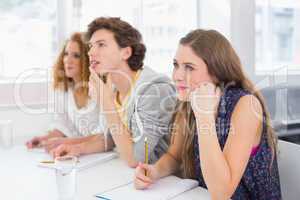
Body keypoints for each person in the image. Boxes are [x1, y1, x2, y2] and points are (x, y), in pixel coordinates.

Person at [134, 29, 282, 199]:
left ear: (216, 71)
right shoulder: (190, 99)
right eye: (176, 65)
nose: (177, 76)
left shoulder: (246, 105)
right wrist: (154, 171)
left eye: (189, 67)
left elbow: (222, 192)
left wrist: (204, 117)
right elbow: (174, 156)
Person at [50, 17, 177, 167]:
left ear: (126, 52)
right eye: (91, 46)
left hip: (165, 181)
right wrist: (77, 149)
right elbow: (110, 139)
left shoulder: (154, 90)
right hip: (131, 176)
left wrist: (105, 101)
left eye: (101, 45)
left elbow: (136, 159)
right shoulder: (113, 87)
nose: (90, 52)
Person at [26, 32, 108, 156]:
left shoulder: (101, 89)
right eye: (66, 54)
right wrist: (45, 139)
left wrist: (67, 142)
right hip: (83, 155)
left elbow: (105, 137)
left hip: (102, 155)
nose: (68, 60)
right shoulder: (64, 90)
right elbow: (64, 125)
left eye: (76, 55)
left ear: (88, 59)